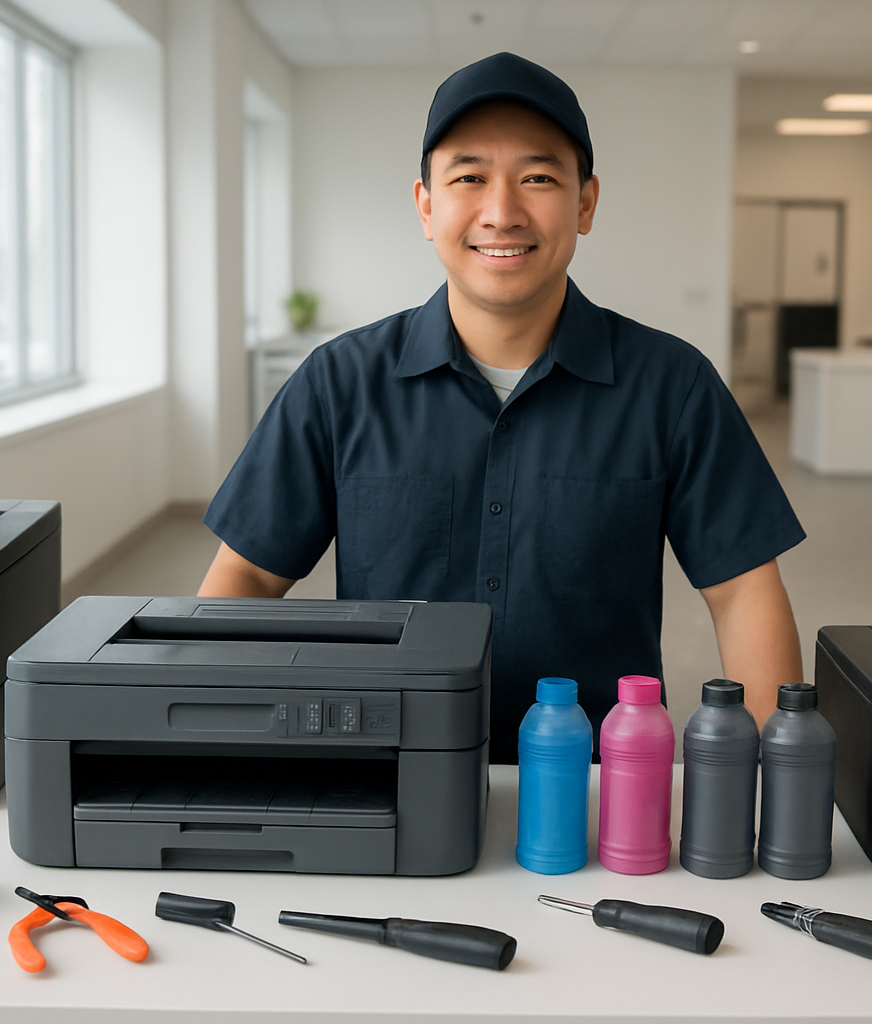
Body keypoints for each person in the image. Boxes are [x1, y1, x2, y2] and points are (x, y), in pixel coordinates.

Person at [199, 52, 805, 763]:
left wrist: (773, 786)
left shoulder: (672, 385)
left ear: (585, 202)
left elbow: (742, 592)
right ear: (427, 206)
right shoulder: (340, 383)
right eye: (469, 178)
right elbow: (245, 578)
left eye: (538, 177)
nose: (502, 212)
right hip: (387, 775)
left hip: (602, 794)